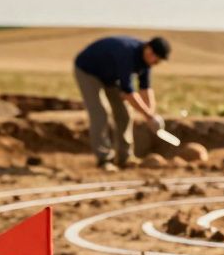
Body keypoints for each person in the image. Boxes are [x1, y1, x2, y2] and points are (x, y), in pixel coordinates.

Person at [73, 35, 170, 171]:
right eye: (155, 56)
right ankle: (104, 159)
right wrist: (148, 116)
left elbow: (145, 89)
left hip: (110, 77)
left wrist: (152, 113)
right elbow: (129, 92)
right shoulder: (127, 54)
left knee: (124, 114)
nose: (155, 61)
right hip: (88, 71)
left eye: (158, 60)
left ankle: (125, 158)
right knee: (100, 114)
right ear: (148, 48)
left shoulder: (147, 63)